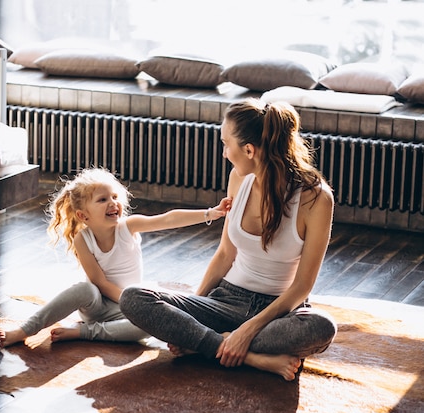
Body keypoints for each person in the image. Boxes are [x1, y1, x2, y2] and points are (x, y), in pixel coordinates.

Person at [119, 98, 338, 381]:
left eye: (226, 144)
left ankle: (207, 344)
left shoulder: (316, 198)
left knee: (321, 328)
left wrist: (245, 331)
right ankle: (249, 357)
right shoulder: (238, 178)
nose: (224, 153)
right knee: (134, 297)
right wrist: (191, 314)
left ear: (249, 150)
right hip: (226, 300)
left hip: (279, 312)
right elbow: (225, 254)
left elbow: (302, 285)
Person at [0, 167, 232, 348]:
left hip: (129, 309)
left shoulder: (128, 227)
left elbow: (167, 219)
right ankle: (26, 330)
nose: (113, 203)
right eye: (102, 200)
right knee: (84, 289)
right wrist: (132, 300)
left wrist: (210, 213)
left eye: (115, 197)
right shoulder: (83, 239)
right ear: (83, 215)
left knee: (148, 326)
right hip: (98, 306)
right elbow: (99, 282)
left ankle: (84, 333)